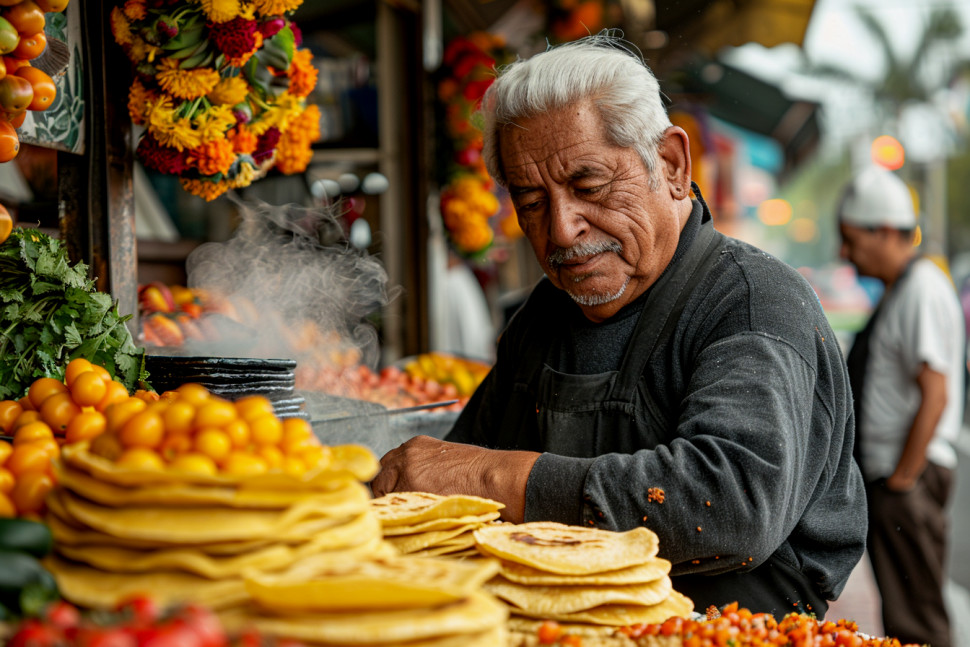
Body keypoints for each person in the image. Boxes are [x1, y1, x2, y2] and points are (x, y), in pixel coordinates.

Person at [372, 33, 867, 617]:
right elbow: (455, 471)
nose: (561, 230)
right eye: (530, 202)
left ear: (672, 165)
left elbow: (731, 505)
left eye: (589, 186)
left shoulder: (753, 303)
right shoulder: (545, 315)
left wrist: (492, 479)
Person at [840, 165, 964, 647]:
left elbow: (936, 391)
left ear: (887, 231)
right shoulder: (902, 290)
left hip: (906, 477)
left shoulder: (922, 289)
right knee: (904, 611)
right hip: (894, 478)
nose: (846, 253)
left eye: (852, 240)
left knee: (920, 621)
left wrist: (903, 480)